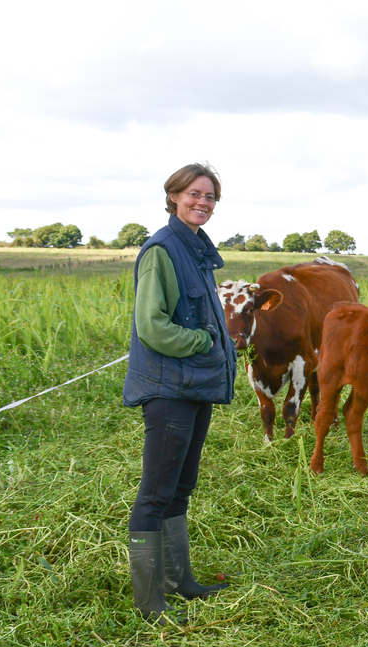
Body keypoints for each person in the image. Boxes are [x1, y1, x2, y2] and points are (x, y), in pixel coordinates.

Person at [123, 163, 237, 621]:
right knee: (155, 492)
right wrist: (205, 342)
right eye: (194, 194)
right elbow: (152, 325)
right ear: (173, 196)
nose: (203, 203)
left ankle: (179, 581)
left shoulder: (197, 250)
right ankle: (150, 603)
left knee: (181, 487)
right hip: (169, 388)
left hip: (195, 385)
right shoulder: (162, 251)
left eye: (210, 196)